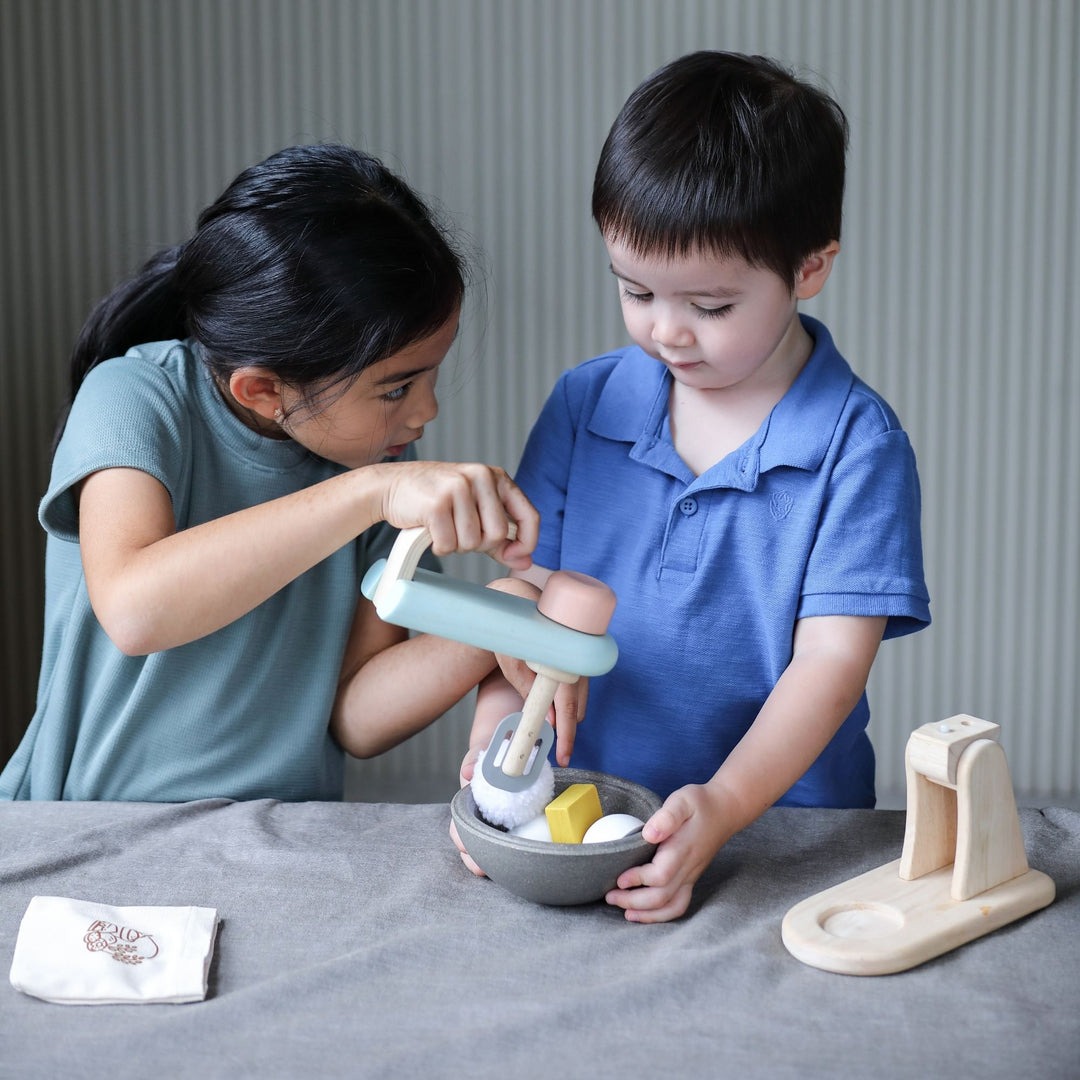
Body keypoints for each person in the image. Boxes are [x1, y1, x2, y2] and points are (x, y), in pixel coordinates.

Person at [457, 52, 930, 921]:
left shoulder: (856, 447)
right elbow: (528, 604)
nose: (665, 330)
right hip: (588, 813)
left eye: (710, 306)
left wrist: (722, 806)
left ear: (810, 268)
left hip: (784, 833)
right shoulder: (586, 403)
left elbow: (829, 664)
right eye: (635, 290)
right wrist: (498, 741)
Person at [0, 143, 541, 803]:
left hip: (277, 843)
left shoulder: (374, 471)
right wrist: (370, 494)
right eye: (397, 389)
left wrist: (495, 620)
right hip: (99, 829)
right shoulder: (136, 395)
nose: (427, 411)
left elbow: (354, 718)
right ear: (262, 390)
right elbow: (136, 609)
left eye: (431, 375)